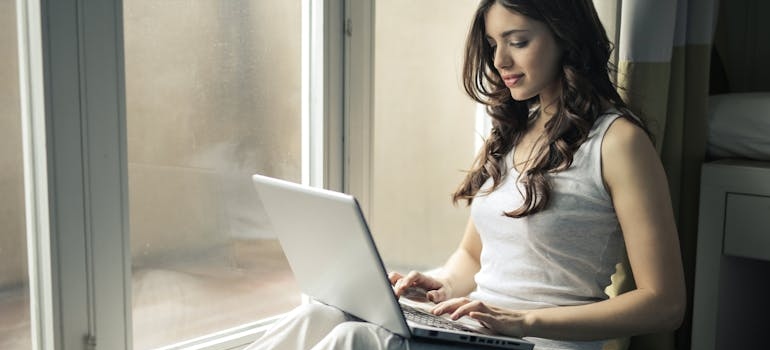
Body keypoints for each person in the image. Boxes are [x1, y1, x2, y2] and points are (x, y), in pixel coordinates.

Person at [247, 0, 686, 349]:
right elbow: (473, 259)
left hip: (541, 342)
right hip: (482, 331)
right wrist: (438, 286)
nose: (500, 60)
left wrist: (523, 321)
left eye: (517, 41)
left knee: (355, 339)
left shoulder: (619, 142)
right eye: (494, 43)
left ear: (565, 37)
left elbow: (664, 304)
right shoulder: (511, 134)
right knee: (318, 315)